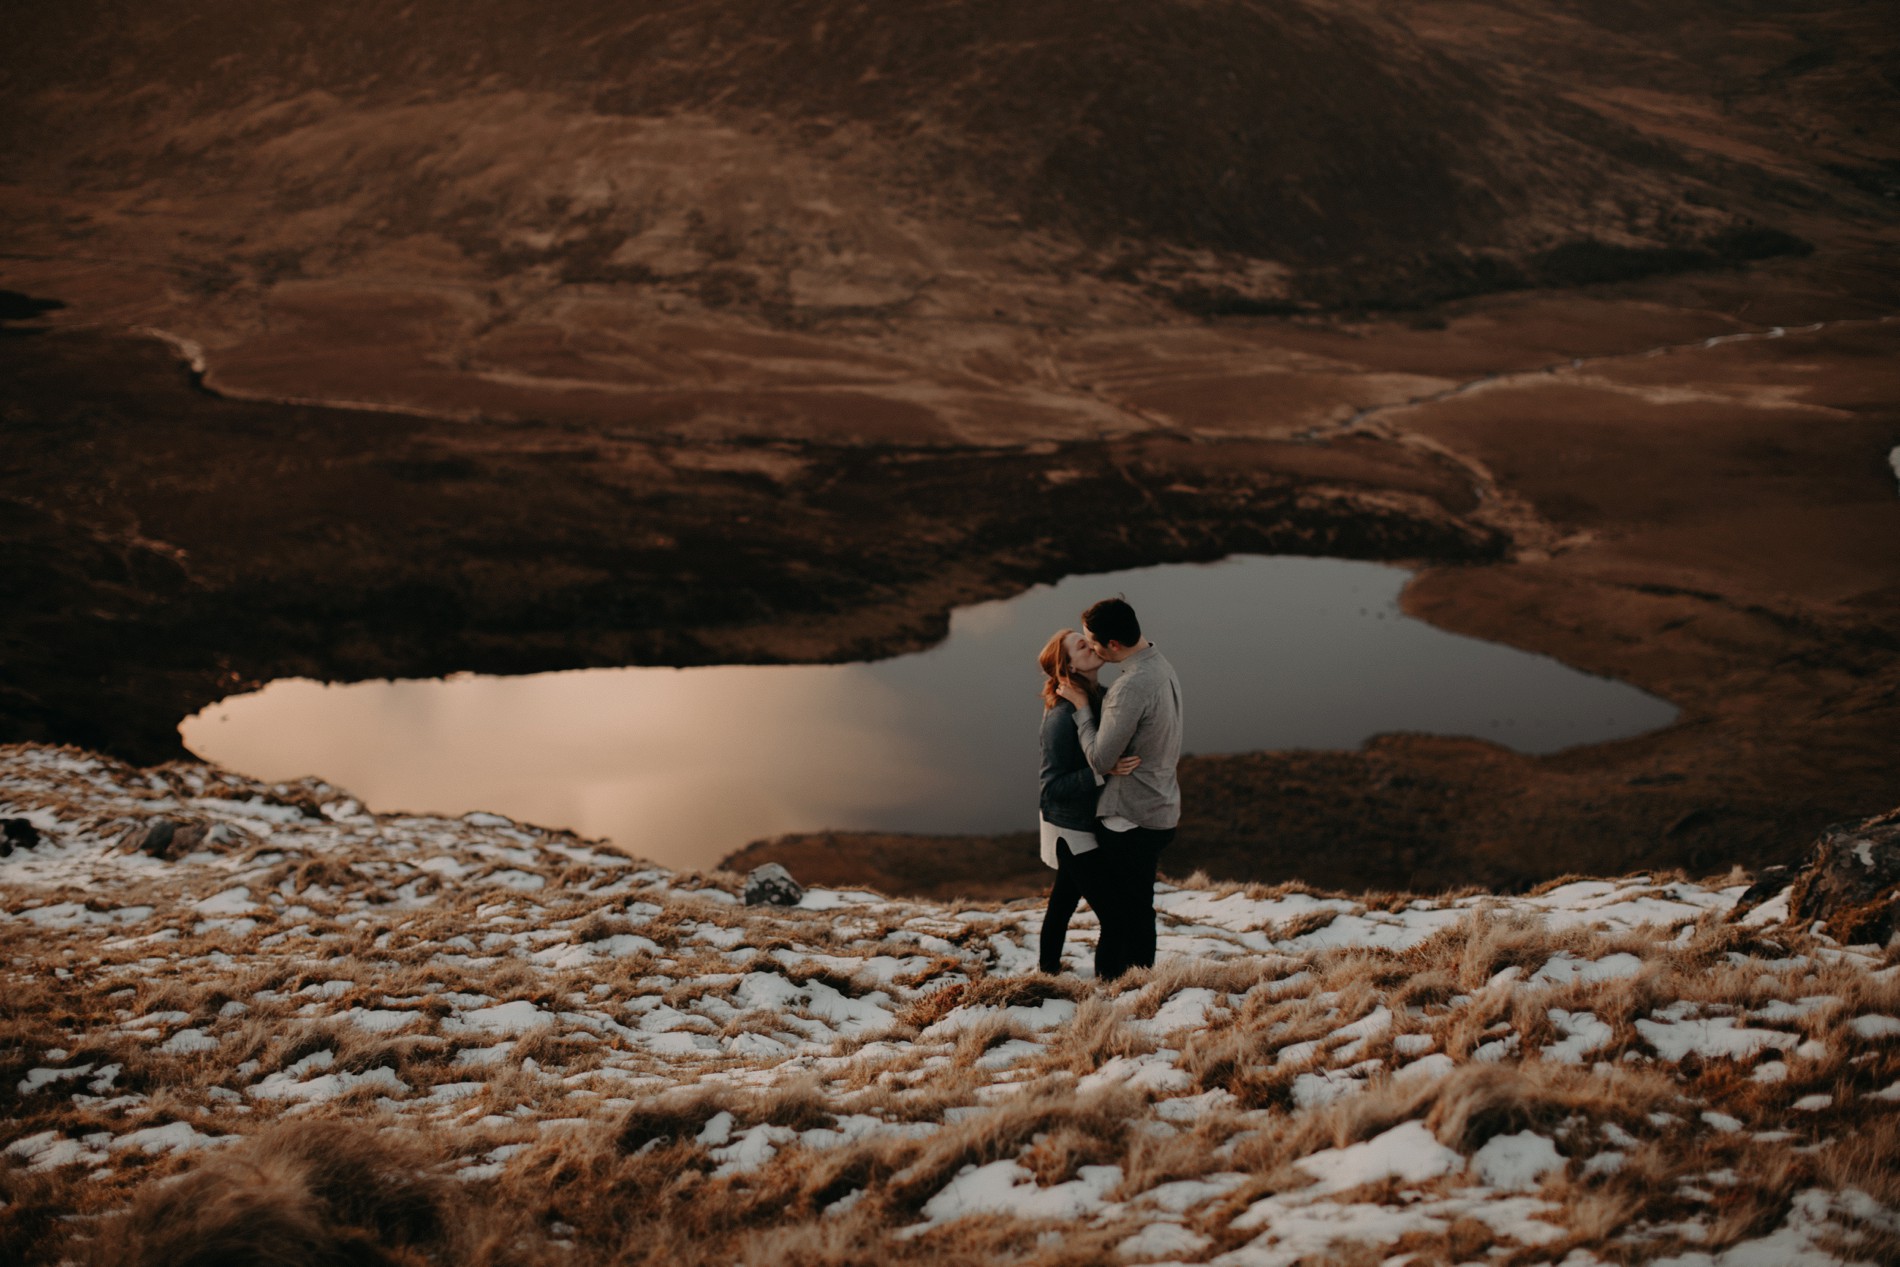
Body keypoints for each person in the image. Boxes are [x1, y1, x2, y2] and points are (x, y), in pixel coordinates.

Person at [1055, 596, 1182, 980]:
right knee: (1138, 907)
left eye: (1092, 641)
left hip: (1130, 817)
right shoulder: (1158, 661)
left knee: (1119, 915)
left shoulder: (1129, 688)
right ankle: (1141, 981)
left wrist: (1080, 706)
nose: (1090, 647)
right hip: (1160, 806)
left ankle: (1114, 985)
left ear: (1113, 645)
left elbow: (1099, 759)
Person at [1036, 628, 1140, 974]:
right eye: (1082, 645)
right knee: (1116, 915)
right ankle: (1109, 987)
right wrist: (1103, 771)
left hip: (1089, 821)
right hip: (1071, 830)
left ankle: (1047, 972)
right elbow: (1051, 788)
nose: (1092, 645)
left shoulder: (1103, 698)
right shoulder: (1061, 719)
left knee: (1063, 903)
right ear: (1069, 667)